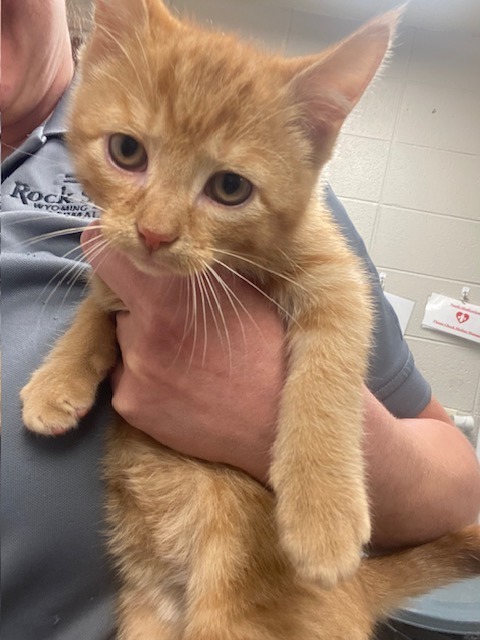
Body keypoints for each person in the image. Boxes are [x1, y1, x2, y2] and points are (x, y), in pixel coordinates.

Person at [2, 1, 480, 639]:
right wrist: (78, 356)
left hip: (253, 587)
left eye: (227, 187)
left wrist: (304, 449)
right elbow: (114, 296)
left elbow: (337, 298)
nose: (156, 228)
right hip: (145, 574)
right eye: (127, 150)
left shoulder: (288, 210)